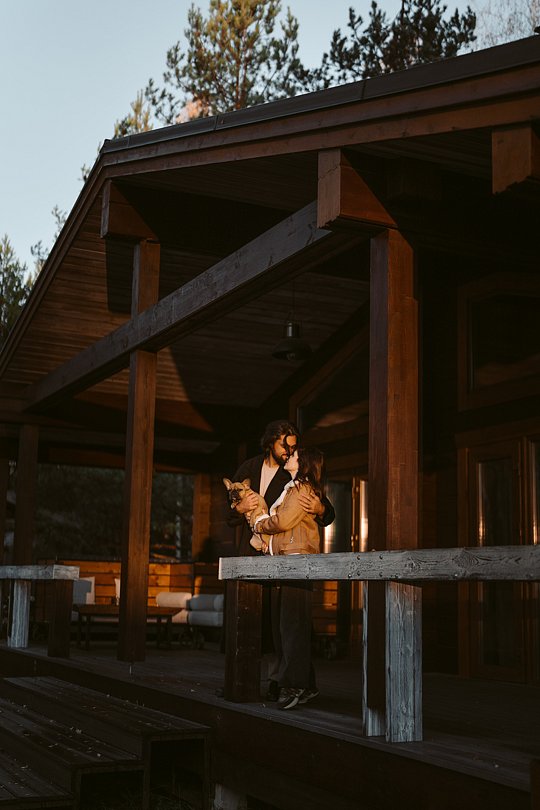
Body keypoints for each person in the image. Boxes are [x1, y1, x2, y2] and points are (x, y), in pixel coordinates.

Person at [227, 419, 334, 701]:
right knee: (259, 621)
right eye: (284, 446)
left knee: (288, 622)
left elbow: (322, 509)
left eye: (294, 447)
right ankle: (251, 684)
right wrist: (240, 507)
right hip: (254, 552)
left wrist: (320, 508)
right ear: (270, 443)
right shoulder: (249, 468)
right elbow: (229, 508)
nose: (289, 452)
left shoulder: (295, 477)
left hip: (285, 555)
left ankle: (285, 682)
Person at [250, 446, 325, 710]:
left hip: (297, 561)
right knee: (289, 626)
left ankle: (293, 685)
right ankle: (306, 685)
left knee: (292, 626)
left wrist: (259, 523)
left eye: (293, 455)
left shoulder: (302, 489)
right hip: (285, 561)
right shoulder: (291, 488)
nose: (289, 456)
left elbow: (283, 521)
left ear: (302, 463)